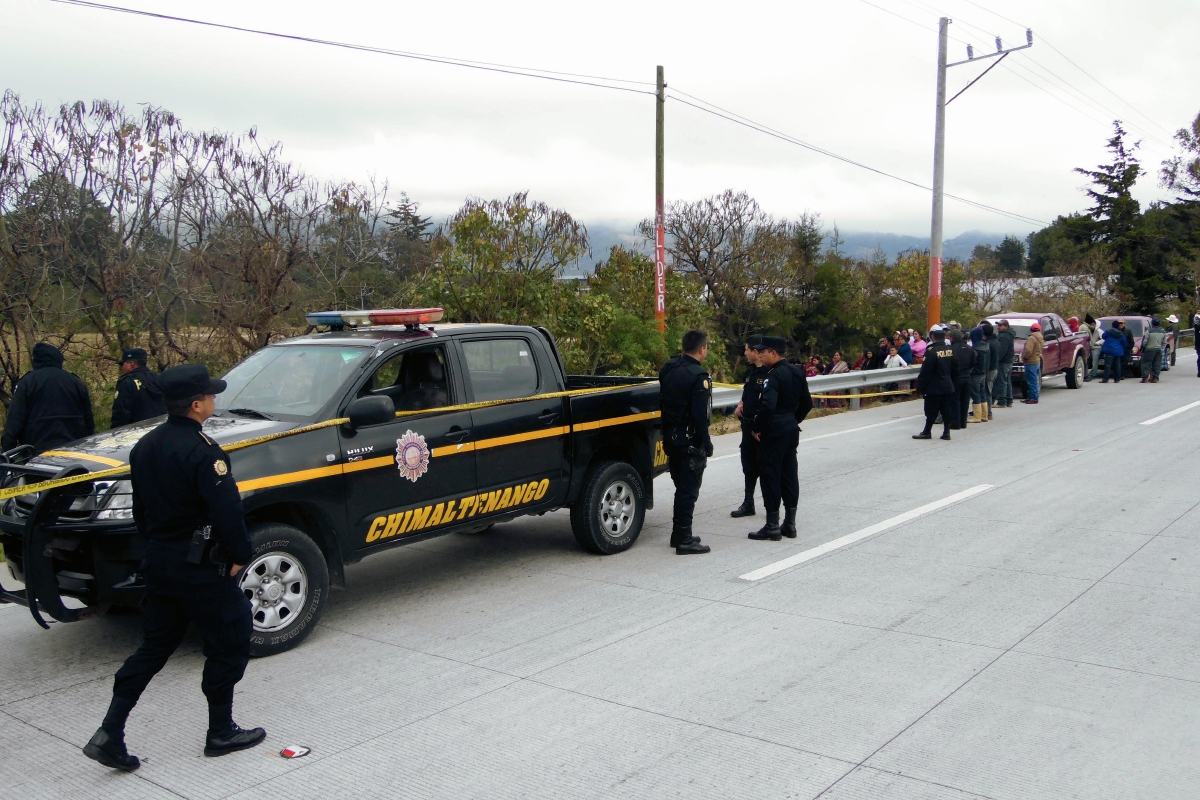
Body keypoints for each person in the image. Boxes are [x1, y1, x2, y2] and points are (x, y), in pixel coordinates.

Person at [84, 365, 264, 773]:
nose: (215, 402)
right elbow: (226, 511)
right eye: (211, 397)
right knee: (231, 638)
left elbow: (142, 512)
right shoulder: (204, 452)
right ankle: (221, 731)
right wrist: (239, 554)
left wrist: (160, 549)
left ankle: (110, 731)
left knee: (154, 646)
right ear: (197, 405)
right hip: (202, 568)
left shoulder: (144, 446)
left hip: (162, 563)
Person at [747, 337, 811, 541]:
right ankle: (790, 524)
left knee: (770, 474)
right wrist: (792, 419)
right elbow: (807, 403)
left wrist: (756, 427)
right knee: (789, 473)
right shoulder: (796, 371)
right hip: (790, 428)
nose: (760, 355)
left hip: (773, 430)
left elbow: (767, 406)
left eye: (763, 351)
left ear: (773, 353)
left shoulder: (772, 375)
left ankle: (772, 525)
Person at [658, 330, 713, 555]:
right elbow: (700, 416)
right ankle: (684, 539)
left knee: (681, 487)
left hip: (670, 437)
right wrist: (705, 442)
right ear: (702, 349)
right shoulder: (698, 376)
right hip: (689, 440)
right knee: (688, 491)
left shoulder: (669, 368)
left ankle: (678, 533)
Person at [2, 341, 94, 454]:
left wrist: (7, 458)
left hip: (37, 456)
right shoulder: (76, 382)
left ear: (36, 361)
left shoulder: (27, 383)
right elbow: (89, 423)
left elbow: (13, 425)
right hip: (74, 454)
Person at [731, 337, 765, 519]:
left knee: (766, 467)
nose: (745, 353)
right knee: (748, 465)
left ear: (756, 351)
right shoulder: (751, 372)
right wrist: (741, 403)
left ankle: (771, 506)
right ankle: (748, 502)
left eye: (746, 350)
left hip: (762, 428)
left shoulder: (769, 372)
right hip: (747, 425)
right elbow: (748, 392)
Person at [912, 327, 958, 441]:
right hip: (948, 385)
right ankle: (946, 432)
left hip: (934, 386)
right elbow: (956, 368)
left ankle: (927, 431)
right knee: (946, 409)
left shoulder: (931, 351)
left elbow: (926, 371)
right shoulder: (950, 350)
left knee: (931, 410)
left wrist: (920, 386)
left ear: (933, 337)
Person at [111, 348, 166, 428]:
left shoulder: (127, 382)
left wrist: (116, 433)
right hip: (159, 430)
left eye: (123, 364)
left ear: (131, 364)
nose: (122, 368)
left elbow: (121, 414)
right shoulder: (158, 378)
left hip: (136, 432)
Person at [948, 327, 973, 429]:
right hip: (967, 377)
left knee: (955, 400)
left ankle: (955, 423)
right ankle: (963, 422)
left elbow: (950, 364)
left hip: (956, 377)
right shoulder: (969, 348)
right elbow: (973, 363)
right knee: (965, 400)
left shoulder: (951, 349)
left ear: (952, 338)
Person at [967, 327, 991, 422]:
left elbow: (972, 363)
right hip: (984, 372)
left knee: (975, 393)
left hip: (975, 373)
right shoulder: (987, 347)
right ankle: (984, 415)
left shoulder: (975, 349)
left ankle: (977, 417)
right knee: (982, 393)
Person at [991, 319, 1016, 408]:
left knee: (1001, 381)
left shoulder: (1004, 336)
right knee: (1007, 380)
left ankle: (1002, 401)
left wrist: (996, 360)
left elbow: (1001, 350)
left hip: (1004, 361)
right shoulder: (1008, 335)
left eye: (1001, 325)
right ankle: (1009, 400)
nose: (999, 327)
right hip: (1008, 361)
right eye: (998, 325)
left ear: (1006, 326)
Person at [1022, 322, 1044, 403]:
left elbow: (1028, 350)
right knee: (1034, 380)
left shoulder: (1031, 338)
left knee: (1032, 381)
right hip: (1037, 361)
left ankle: (1034, 398)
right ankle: (1031, 397)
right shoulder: (1040, 337)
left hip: (1031, 362)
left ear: (1031, 329)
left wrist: (1025, 357)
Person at [981, 321, 998, 419]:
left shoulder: (989, 344)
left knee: (987, 391)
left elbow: (988, 359)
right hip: (994, 368)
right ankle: (985, 410)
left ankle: (988, 412)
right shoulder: (995, 341)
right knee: (988, 389)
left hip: (990, 369)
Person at [1141, 318, 1167, 383]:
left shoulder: (1149, 331)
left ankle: (1145, 378)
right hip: (1158, 349)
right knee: (1157, 364)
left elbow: (1145, 341)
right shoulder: (1163, 331)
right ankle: (1155, 378)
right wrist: (1160, 346)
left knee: (1146, 364)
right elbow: (1164, 342)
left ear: (1152, 324)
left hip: (1149, 349)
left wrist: (1143, 348)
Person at [1085, 314, 1102, 380]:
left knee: (1095, 361)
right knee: (1087, 360)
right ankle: (1086, 374)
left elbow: (1103, 339)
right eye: (1091, 325)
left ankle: (1093, 374)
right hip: (1090, 348)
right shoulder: (1089, 330)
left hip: (1096, 348)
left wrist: (1096, 343)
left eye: (1093, 325)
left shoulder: (1099, 331)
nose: (1092, 326)